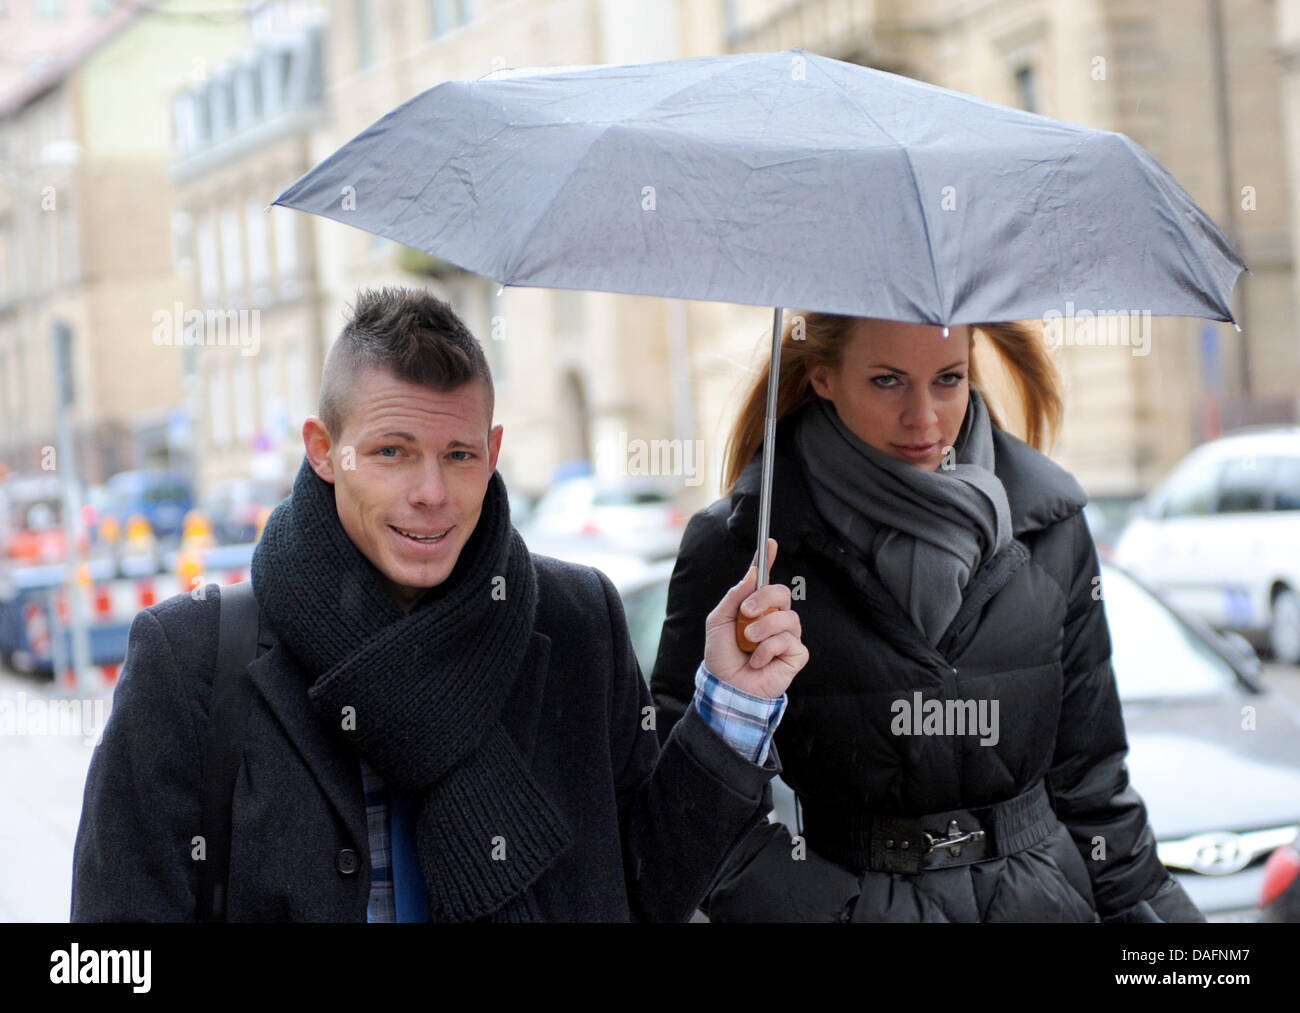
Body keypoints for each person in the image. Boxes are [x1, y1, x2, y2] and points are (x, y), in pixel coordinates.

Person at [71, 286, 807, 923]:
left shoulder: (577, 619)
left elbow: (651, 890)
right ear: (324, 449)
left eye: (457, 455)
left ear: (491, 452)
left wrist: (729, 710)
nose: (430, 492)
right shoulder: (194, 656)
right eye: (392, 452)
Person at [650, 313, 1205, 923]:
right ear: (823, 377)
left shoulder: (1049, 522)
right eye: (887, 381)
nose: (924, 418)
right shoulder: (743, 545)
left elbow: (1093, 783)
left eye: (948, 378)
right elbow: (687, 810)